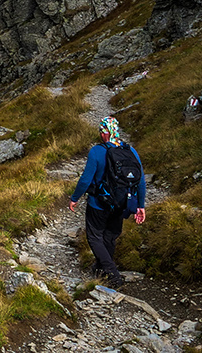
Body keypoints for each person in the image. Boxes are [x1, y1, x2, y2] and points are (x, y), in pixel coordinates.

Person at [68, 116, 146, 287]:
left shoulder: (97, 151)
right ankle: (100, 269)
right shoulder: (130, 151)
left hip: (99, 204)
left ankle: (113, 275)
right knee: (109, 237)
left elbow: (85, 180)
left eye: (100, 131)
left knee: (95, 237)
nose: (100, 134)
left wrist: (74, 198)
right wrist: (141, 205)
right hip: (121, 204)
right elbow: (140, 181)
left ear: (104, 132)